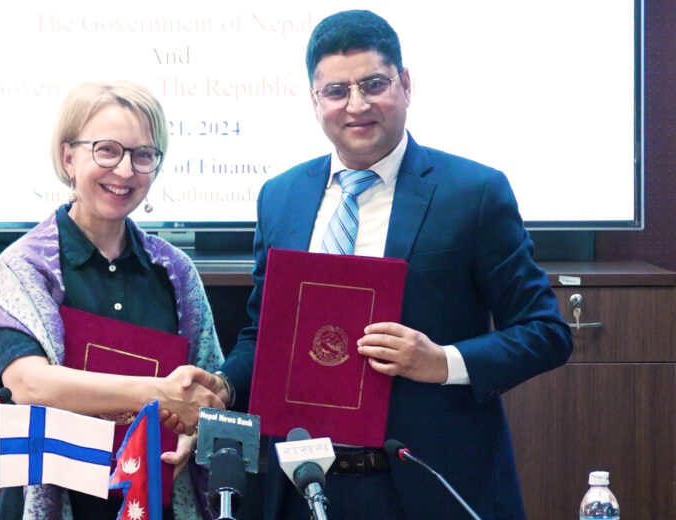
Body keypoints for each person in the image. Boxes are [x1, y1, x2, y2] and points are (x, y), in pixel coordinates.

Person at [181, 9, 573, 520]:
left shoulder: (474, 192)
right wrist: (226, 384)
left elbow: (546, 333)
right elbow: (266, 334)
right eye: (336, 91)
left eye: (373, 84)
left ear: (405, 85)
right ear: (315, 100)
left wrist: (443, 361)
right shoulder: (281, 196)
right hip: (301, 484)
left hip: (425, 484)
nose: (357, 105)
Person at [0, 81, 226, 520]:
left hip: (155, 502)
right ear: (68, 158)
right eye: (107, 151)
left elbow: (209, 390)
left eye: (143, 155)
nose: (125, 171)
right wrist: (159, 395)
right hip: (58, 502)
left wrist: (193, 432)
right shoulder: (26, 265)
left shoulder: (175, 271)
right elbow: (28, 385)